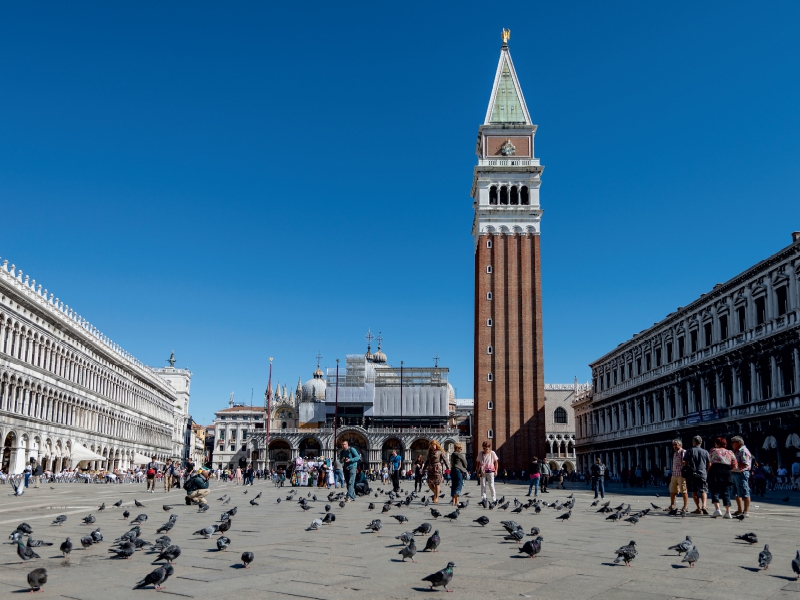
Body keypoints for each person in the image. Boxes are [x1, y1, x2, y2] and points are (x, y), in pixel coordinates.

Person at [708, 437, 738, 518]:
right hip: (727, 472)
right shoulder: (730, 452)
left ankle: (717, 509)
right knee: (726, 492)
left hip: (715, 471)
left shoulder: (713, 450)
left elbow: (710, 461)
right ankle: (728, 512)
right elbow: (735, 465)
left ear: (717, 444)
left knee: (715, 491)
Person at [685, 436, 710, 515]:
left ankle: (698, 508)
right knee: (704, 490)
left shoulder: (689, 451)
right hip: (703, 473)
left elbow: (685, 462)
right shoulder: (705, 452)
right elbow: (709, 463)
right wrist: (706, 471)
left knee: (694, 491)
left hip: (692, 474)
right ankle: (704, 506)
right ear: (701, 443)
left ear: (693, 442)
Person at [731, 436, 752, 518]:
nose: (732, 444)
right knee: (736, 492)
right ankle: (739, 509)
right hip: (735, 473)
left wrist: (734, 462)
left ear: (738, 443)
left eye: (733, 442)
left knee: (745, 491)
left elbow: (745, 464)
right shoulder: (736, 451)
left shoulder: (743, 451)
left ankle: (746, 511)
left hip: (742, 473)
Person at [668, 439, 689, 511]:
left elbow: (685, 462)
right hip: (674, 474)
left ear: (680, 445)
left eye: (676, 445)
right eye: (673, 445)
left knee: (683, 490)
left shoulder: (683, 452)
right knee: (672, 490)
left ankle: (685, 506)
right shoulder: (675, 453)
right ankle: (672, 505)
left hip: (681, 474)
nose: (674, 446)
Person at [450, 442, 468, 506]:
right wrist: (464, 467)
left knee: (454, 485)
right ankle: (457, 501)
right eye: (460, 448)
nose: (461, 450)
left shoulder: (452, 454)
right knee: (459, 485)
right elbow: (465, 463)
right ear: (457, 448)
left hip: (452, 471)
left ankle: (453, 501)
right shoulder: (459, 454)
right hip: (458, 471)